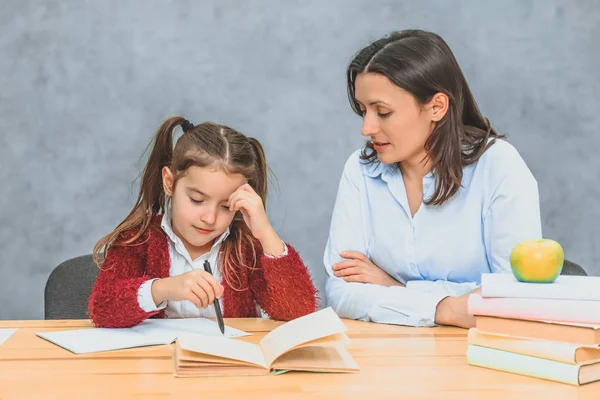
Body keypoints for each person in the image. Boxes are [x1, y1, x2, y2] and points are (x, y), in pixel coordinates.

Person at [323, 29, 541, 328]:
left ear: (437, 107)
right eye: (363, 111)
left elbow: (511, 296)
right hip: (385, 355)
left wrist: (393, 288)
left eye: (383, 112)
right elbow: (342, 292)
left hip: (477, 356)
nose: (366, 128)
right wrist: (448, 309)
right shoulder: (360, 170)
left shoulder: (499, 166)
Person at [89, 116, 318, 328]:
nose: (210, 219)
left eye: (226, 206)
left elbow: (298, 313)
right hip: (157, 368)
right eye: (197, 200)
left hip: (227, 369)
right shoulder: (137, 240)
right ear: (169, 182)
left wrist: (265, 233)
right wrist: (162, 288)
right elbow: (102, 309)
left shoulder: (245, 248)